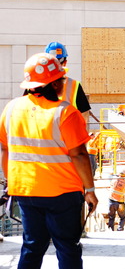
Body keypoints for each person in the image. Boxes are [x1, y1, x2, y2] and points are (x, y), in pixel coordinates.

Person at [0, 53, 98, 269]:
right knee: (67, 247)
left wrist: (11, 182)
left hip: (25, 191)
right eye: (62, 80)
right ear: (54, 84)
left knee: (32, 246)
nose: (64, 83)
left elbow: (6, 149)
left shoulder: (11, 109)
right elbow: (79, 154)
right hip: (61, 193)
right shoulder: (65, 113)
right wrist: (89, 190)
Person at [45, 42, 92, 124]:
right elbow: (84, 116)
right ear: (65, 62)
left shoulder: (33, 86)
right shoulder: (74, 85)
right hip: (66, 135)